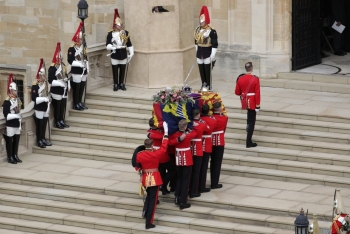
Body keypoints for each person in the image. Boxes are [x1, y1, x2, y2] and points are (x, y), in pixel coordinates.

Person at [134, 122, 169, 230]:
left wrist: (141, 173)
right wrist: (166, 134)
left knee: (149, 197)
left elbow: (137, 166)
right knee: (153, 201)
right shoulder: (155, 154)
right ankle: (149, 222)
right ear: (152, 145)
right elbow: (164, 147)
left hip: (145, 178)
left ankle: (145, 213)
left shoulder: (139, 155)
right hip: (154, 178)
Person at [169, 119, 197, 210]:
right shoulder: (188, 135)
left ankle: (177, 197)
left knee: (179, 178)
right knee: (185, 181)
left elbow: (171, 142)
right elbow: (195, 133)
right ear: (185, 126)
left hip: (178, 159)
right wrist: (189, 129)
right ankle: (183, 202)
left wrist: (178, 139)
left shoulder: (175, 135)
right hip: (186, 159)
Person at [106, 8, 134, 91]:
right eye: (119, 25)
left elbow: (129, 43)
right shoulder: (110, 34)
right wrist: (113, 47)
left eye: (121, 24)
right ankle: (115, 84)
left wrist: (131, 53)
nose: (120, 26)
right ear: (115, 25)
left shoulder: (126, 33)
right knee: (115, 70)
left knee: (123, 69)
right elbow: (107, 45)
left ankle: (121, 83)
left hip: (123, 53)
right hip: (115, 54)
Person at [235, 62, 260, 148]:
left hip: (245, 101)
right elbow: (257, 93)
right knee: (252, 121)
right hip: (252, 101)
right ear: (252, 68)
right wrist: (258, 105)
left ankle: (248, 138)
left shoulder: (240, 78)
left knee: (249, 120)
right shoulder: (255, 79)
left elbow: (237, 92)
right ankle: (248, 141)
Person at [147, 118, 176, 195]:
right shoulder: (157, 134)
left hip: (157, 154)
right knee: (173, 169)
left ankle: (164, 188)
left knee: (162, 171)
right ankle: (163, 184)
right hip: (161, 155)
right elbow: (164, 136)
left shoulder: (150, 131)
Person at [194, 5, 218, 90]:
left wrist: (213, 54)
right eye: (200, 22)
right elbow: (196, 42)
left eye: (203, 22)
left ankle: (208, 84)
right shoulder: (198, 30)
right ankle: (203, 83)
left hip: (207, 52)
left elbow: (215, 43)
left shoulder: (211, 31)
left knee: (207, 70)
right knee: (201, 69)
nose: (201, 23)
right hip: (199, 52)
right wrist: (197, 51)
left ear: (206, 21)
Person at [68, 22, 89, 111]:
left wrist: (87, 67)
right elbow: (70, 60)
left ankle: (80, 102)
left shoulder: (83, 47)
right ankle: (76, 103)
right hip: (76, 71)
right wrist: (79, 64)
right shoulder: (72, 49)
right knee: (76, 88)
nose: (82, 41)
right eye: (81, 39)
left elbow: (86, 58)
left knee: (82, 87)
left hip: (83, 70)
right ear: (77, 40)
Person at [48, 42, 70, 129]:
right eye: (59, 59)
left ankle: (62, 120)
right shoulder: (52, 68)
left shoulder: (63, 66)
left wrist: (67, 84)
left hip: (63, 90)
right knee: (57, 108)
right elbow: (50, 80)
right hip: (56, 91)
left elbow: (66, 75)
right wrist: (60, 83)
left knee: (62, 106)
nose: (60, 61)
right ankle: (57, 121)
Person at [31, 58, 52, 148]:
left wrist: (48, 100)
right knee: (39, 125)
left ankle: (43, 139)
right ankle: (39, 140)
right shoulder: (35, 85)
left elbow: (47, 94)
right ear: (40, 76)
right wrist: (44, 99)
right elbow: (34, 98)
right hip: (39, 107)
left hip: (45, 107)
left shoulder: (46, 84)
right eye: (44, 76)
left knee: (44, 124)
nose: (45, 77)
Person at [2, 73, 22, 164]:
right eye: (15, 91)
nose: (16, 92)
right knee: (10, 141)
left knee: (16, 140)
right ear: (11, 91)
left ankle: (15, 155)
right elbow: (6, 115)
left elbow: (19, 110)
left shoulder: (17, 100)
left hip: (17, 123)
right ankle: (10, 157)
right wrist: (16, 116)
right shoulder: (7, 102)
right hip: (10, 124)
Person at [189, 108, 208, 198]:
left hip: (189, 148)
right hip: (198, 148)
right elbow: (207, 129)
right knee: (196, 171)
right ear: (198, 115)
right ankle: (194, 191)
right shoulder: (201, 124)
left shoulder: (189, 124)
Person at [199, 104, 216, 193]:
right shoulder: (212, 120)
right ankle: (202, 185)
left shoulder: (200, 120)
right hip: (207, 143)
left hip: (198, 143)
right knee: (204, 166)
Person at [210, 102, 227, 189]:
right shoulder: (224, 118)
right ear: (220, 109)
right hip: (219, 141)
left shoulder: (211, 118)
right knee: (217, 163)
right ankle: (214, 183)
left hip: (210, 141)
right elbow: (224, 129)